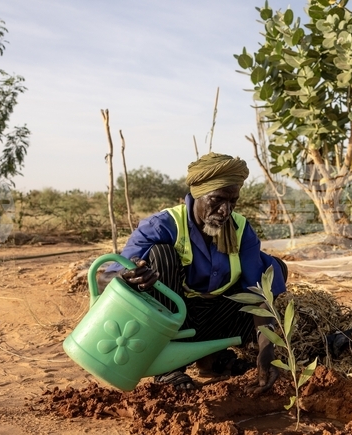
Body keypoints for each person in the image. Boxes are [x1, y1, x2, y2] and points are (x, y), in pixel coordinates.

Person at [99, 153, 287, 391]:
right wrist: (128, 277)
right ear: (197, 194)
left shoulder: (240, 230)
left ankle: (212, 356)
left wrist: (266, 350)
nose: (224, 210)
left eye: (232, 202)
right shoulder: (162, 225)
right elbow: (106, 278)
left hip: (216, 318)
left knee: (273, 271)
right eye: (217, 200)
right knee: (161, 255)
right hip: (172, 320)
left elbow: (259, 294)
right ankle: (168, 370)